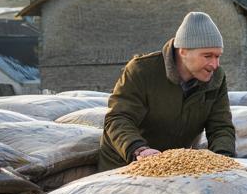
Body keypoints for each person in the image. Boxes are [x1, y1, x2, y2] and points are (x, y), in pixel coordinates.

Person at [98, 11, 235, 171]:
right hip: (125, 163)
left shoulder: (216, 78)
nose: (215, 64)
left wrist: (223, 158)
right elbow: (118, 118)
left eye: (218, 56)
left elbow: (220, 126)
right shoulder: (143, 71)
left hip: (174, 167)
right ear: (183, 51)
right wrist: (140, 150)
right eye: (207, 56)